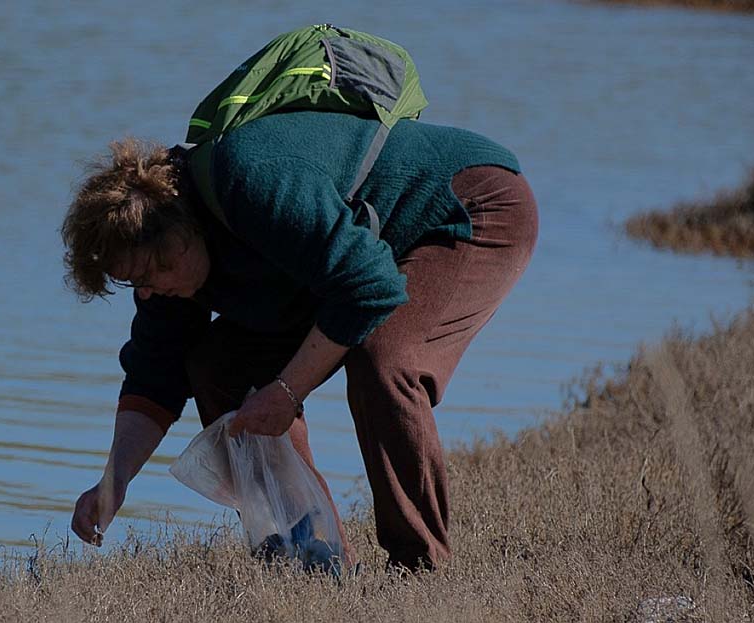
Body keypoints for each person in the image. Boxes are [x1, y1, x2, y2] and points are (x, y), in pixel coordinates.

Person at [62, 109, 538, 571]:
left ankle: (419, 568)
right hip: (352, 258)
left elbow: (369, 288)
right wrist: (114, 482)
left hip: (468, 205)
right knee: (218, 365)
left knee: (384, 359)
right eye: (133, 283)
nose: (148, 291)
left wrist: (287, 391)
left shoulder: (252, 181)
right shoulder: (166, 260)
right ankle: (310, 557)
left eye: (150, 272)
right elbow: (154, 373)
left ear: (180, 226)